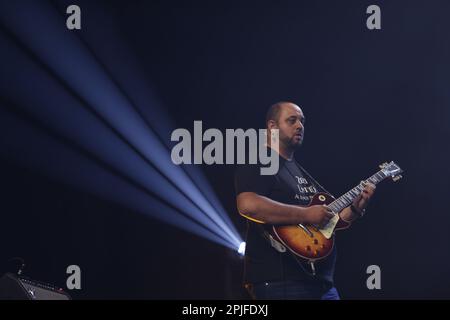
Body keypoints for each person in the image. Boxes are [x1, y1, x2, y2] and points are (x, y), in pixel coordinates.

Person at [234, 101, 376, 300]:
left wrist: (356, 208)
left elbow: (331, 219)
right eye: (292, 120)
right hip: (281, 282)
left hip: (322, 284)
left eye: (302, 121)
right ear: (272, 126)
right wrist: (306, 213)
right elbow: (248, 205)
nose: (300, 125)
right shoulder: (259, 160)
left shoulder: (299, 171)